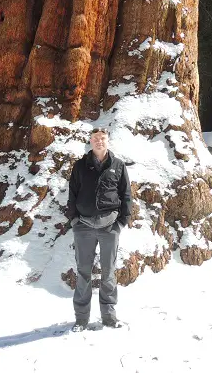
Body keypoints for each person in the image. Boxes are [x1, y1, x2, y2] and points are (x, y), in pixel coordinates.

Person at [66, 127, 132, 331]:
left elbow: (126, 194)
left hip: (109, 227)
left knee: (108, 273)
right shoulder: (80, 166)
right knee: (83, 272)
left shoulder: (118, 165)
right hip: (83, 226)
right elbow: (72, 194)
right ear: (90, 141)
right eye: (95, 138)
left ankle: (109, 317)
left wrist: (121, 222)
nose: (99, 141)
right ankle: (81, 319)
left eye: (102, 138)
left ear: (108, 141)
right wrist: (74, 220)